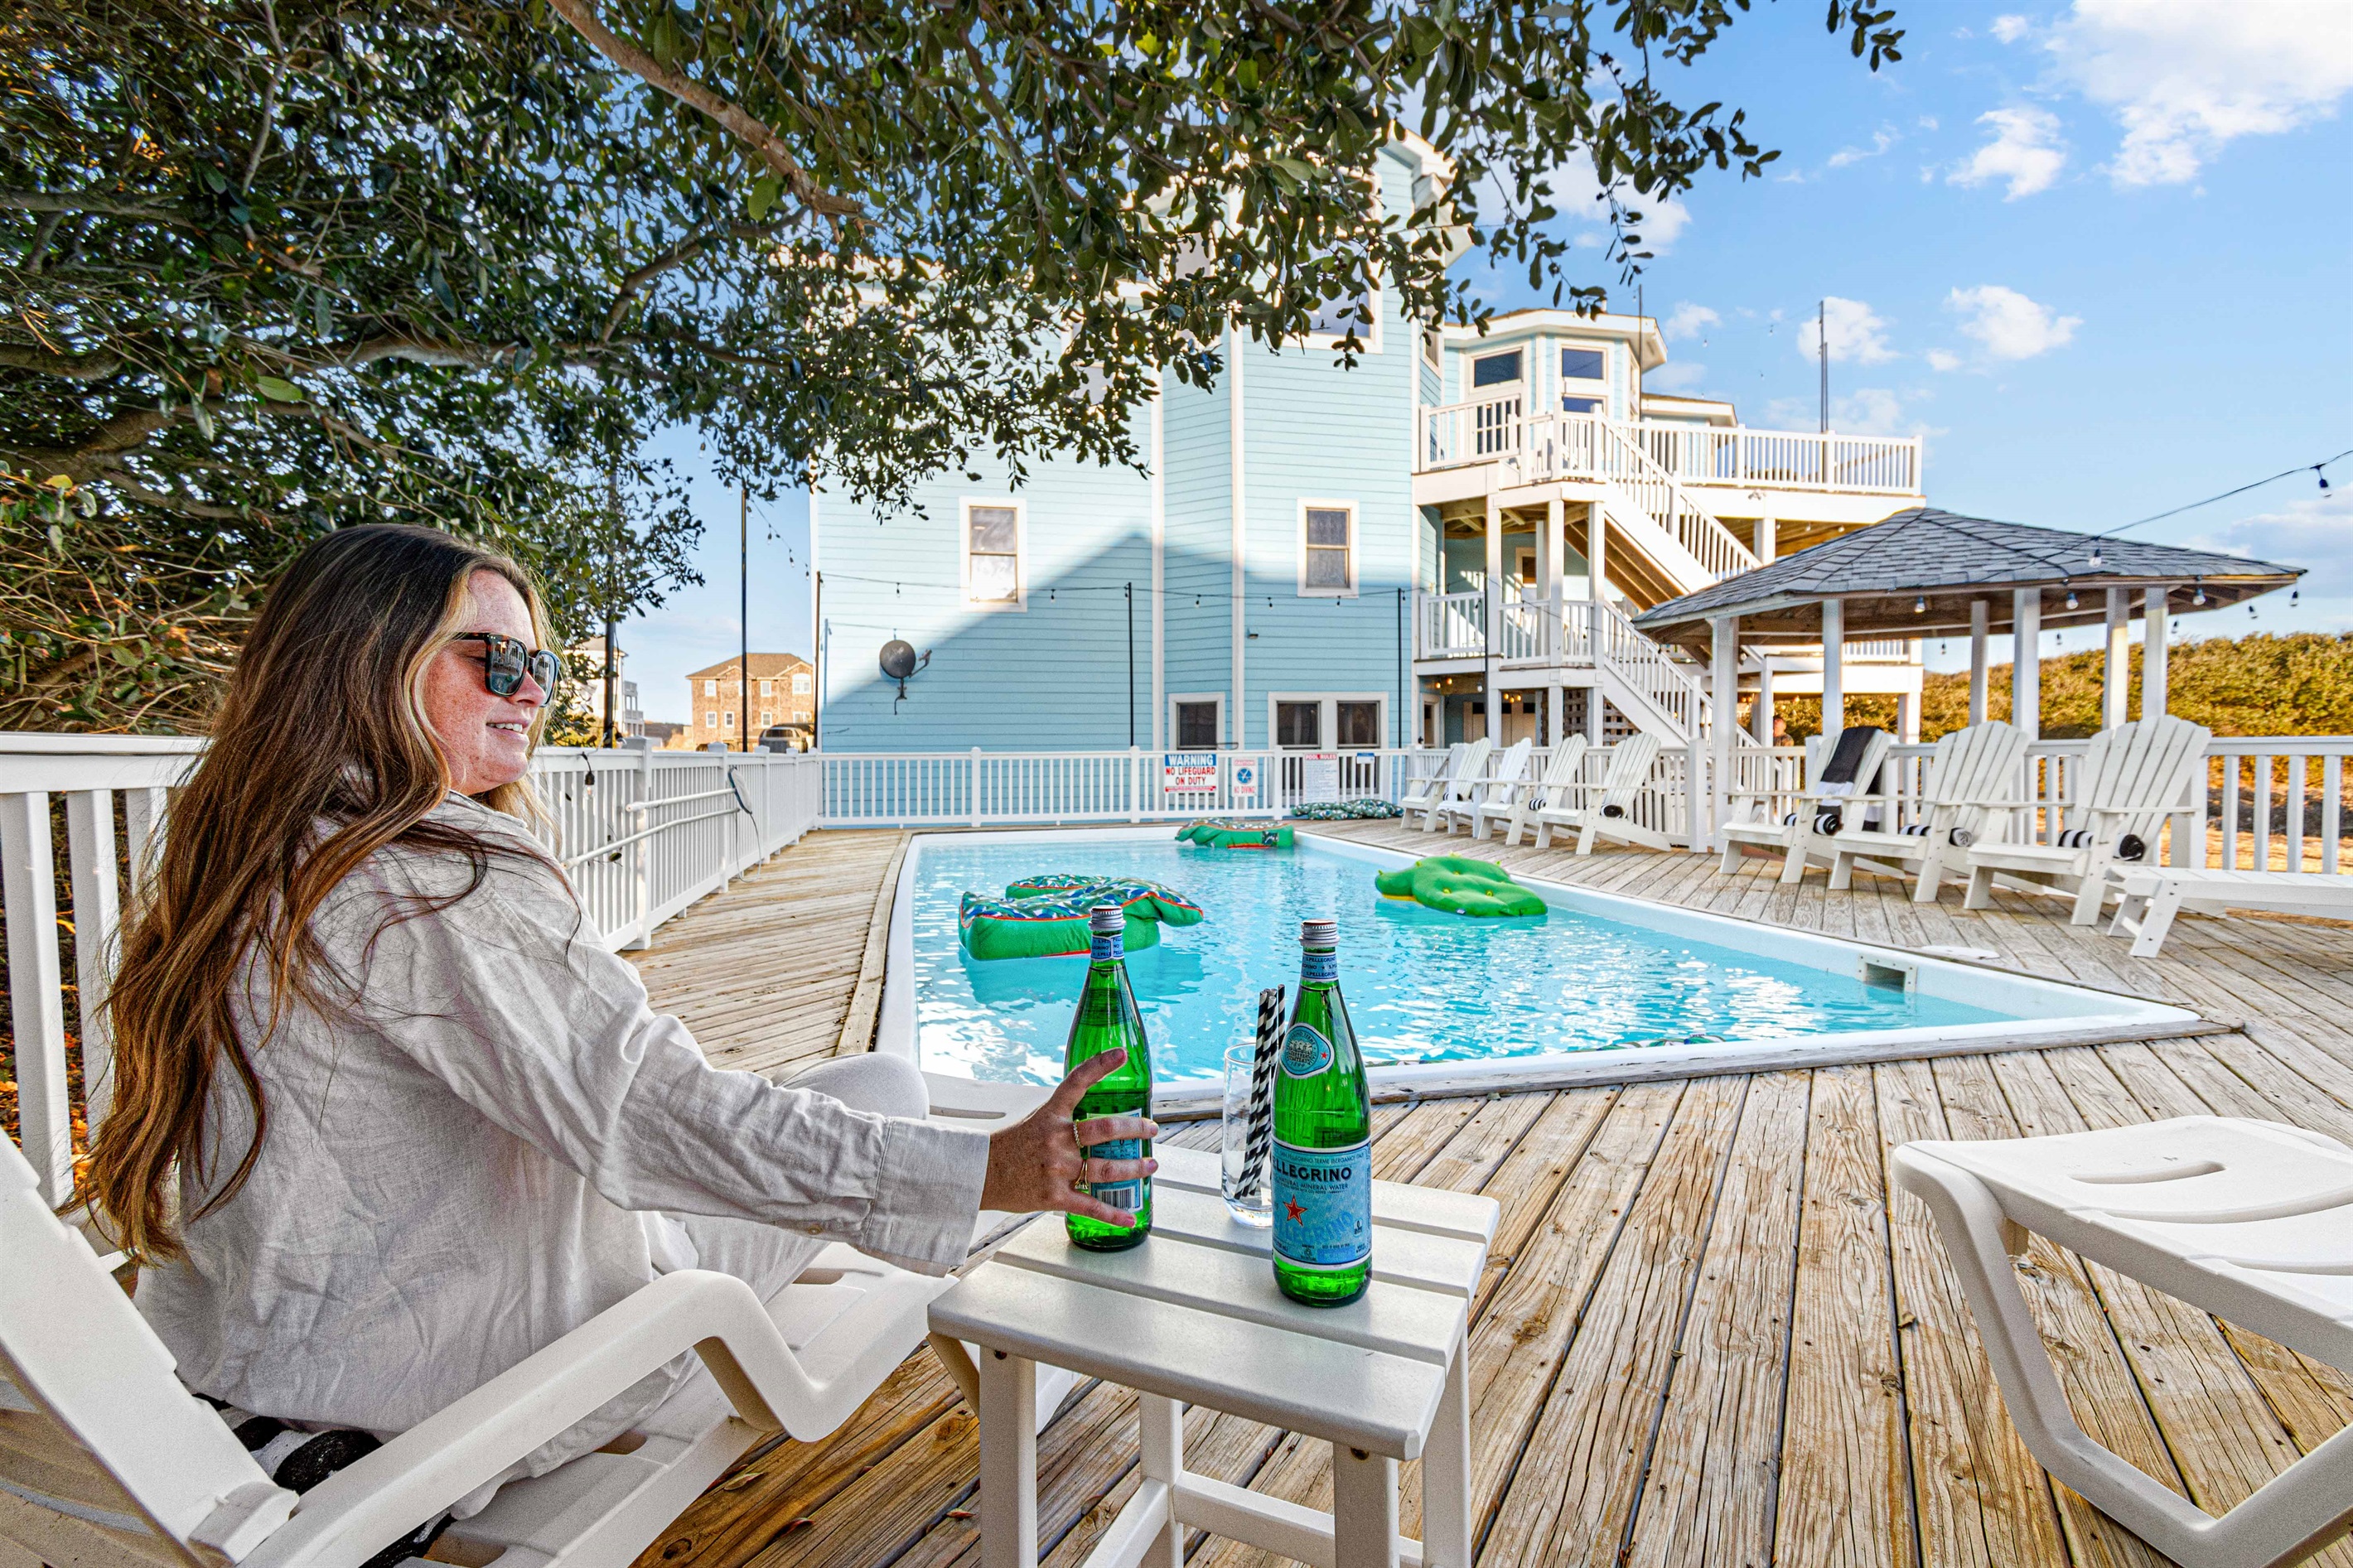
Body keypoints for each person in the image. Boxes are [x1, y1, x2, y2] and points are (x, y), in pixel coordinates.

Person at [82, 523, 1154, 1508]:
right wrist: (984, 1172)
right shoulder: (433, 876)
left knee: (876, 1084)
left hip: (269, 1344)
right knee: (896, 1104)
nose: (528, 690)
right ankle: (1035, 1346)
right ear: (365, 663)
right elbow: (650, 1112)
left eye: (539, 665)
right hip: (470, 1378)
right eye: (492, 658)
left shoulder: (250, 861)